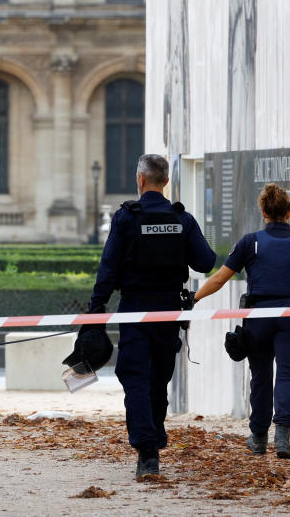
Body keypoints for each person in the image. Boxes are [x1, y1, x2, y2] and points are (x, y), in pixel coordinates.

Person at [85, 154, 216, 479]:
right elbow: (206, 262)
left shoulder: (127, 218)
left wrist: (95, 309)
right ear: (166, 181)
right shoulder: (181, 219)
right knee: (158, 380)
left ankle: (148, 451)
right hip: (169, 311)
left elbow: (109, 268)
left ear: (140, 179)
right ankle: (153, 440)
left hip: (135, 310)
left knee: (136, 379)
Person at [193, 182, 290, 460]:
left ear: (263, 212)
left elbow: (219, 279)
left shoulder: (250, 242)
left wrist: (193, 298)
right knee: (288, 375)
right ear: (288, 212)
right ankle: (283, 439)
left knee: (261, 377)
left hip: (259, 317)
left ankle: (257, 438)